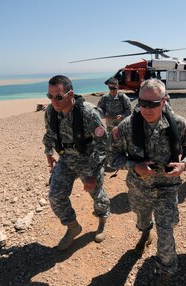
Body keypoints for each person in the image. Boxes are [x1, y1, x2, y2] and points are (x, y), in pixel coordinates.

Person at [107, 78, 186, 284]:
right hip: (139, 189)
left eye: (153, 104)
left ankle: (166, 274)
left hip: (167, 189)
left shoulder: (179, 124)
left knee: (166, 233)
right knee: (142, 220)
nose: (146, 108)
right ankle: (145, 232)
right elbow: (112, 158)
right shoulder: (126, 127)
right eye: (142, 103)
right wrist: (134, 166)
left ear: (164, 101)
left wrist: (184, 165)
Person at [42, 75, 110, 251]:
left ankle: (102, 220)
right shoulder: (50, 112)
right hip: (66, 159)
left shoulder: (87, 113)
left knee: (97, 195)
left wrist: (93, 174)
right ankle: (73, 227)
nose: (53, 101)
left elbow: (103, 144)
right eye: (50, 96)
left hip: (89, 161)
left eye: (58, 97)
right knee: (55, 195)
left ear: (70, 94)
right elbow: (49, 134)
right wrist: (49, 152)